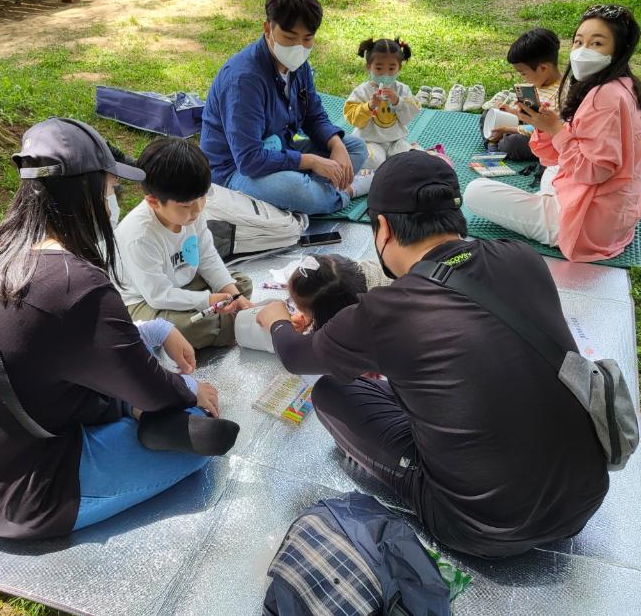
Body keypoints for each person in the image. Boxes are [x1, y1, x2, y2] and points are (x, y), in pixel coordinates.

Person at [255, 151, 609, 558]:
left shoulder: (385, 313)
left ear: (383, 227)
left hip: (481, 526)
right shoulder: (523, 258)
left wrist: (277, 318)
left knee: (332, 393)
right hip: (584, 500)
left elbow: (297, 357)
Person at [0, 118, 240, 540]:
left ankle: (130, 416)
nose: (114, 203)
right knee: (197, 430)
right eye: (111, 190)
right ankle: (136, 420)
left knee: (156, 400)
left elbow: (66, 350)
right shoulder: (73, 284)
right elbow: (150, 386)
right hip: (31, 495)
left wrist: (154, 332)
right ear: (88, 194)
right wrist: (189, 391)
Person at [464, 5, 641, 263]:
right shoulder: (622, 84)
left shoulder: (603, 97)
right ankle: (545, 205)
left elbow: (595, 171)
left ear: (618, 50)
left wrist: (554, 129)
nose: (583, 51)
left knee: (475, 192)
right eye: (579, 41)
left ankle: (549, 213)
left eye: (597, 43)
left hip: (589, 225)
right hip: (614, 210)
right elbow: (555, 158)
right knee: (552, 171)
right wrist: (544, 125)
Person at [200, 0, 370, 215]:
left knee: (354, 147)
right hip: (235, 171)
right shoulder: (243, 80)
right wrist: (310, 161)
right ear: (268, 28)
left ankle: (316, 194)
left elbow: (313, 115)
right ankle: (344, 192)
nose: (298, 48)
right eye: (289, 38)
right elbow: (249, 160)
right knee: (294, 188)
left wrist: (335, 145)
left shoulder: (299, 67)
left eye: (307, 39)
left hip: (281, 148)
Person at [114, 137, 253, 349]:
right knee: (187, 327)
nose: (197, 210)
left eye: (202, 198)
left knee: (241, 283)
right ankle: (227, 324)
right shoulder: (139, 236)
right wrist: (208, 301)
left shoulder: (192, 214)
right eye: (186, 205)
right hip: (143, 300)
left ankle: (222, 321)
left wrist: (233, 294)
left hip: (182, 282)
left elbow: (207, 256)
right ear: (153, 201)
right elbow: (158, 295)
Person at [481, 28, 564, 161]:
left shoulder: (560, 95)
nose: (523, 78)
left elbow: (544, 129)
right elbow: (528, 115)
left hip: (542, 135)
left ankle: (495, 141)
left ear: (543, 68)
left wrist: (508, 128)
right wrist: (512, 112)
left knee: (512, 144)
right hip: (526, 124)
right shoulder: (538, 84)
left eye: (523, 73)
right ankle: (496, 139)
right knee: (488, 114)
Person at [344, 38, 422, 170]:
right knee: (373, 162)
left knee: (409, 161)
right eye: (379, 68)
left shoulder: (402, 90)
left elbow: (410, 114)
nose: (385, 73)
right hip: (369, 140)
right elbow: (352, 117)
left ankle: (411, 149)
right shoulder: (362, 91)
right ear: (369, 67)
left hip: (395, 140)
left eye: (391, 68)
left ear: (399, 68)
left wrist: (398, 101)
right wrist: (369, 106)